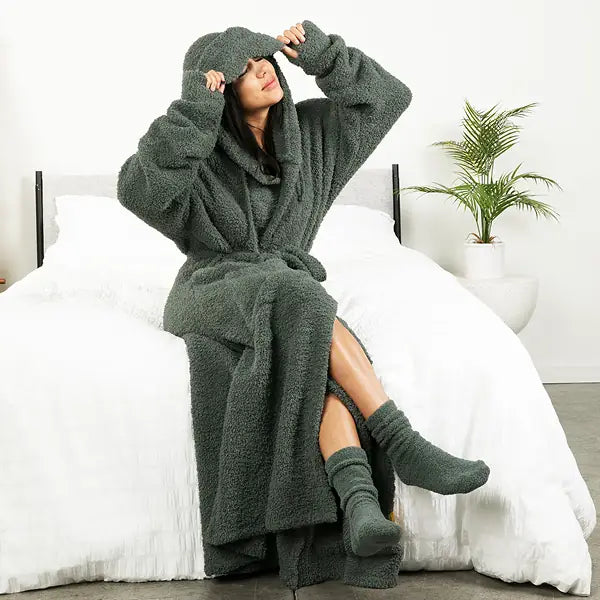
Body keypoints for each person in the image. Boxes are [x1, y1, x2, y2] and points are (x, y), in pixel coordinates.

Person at [117, 20, 491, 589]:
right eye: (243, 68)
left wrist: (325, 57)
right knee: (301, 296)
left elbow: (388, 99)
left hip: (285, 292)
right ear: (218, 87)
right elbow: (138, 191)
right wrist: (193, 113)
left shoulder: (311, 136)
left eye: (263, 58)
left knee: (313, 350)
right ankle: (401, 441)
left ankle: (360, 507)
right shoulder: (198, 151)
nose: (262, 69)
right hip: (212, 289)